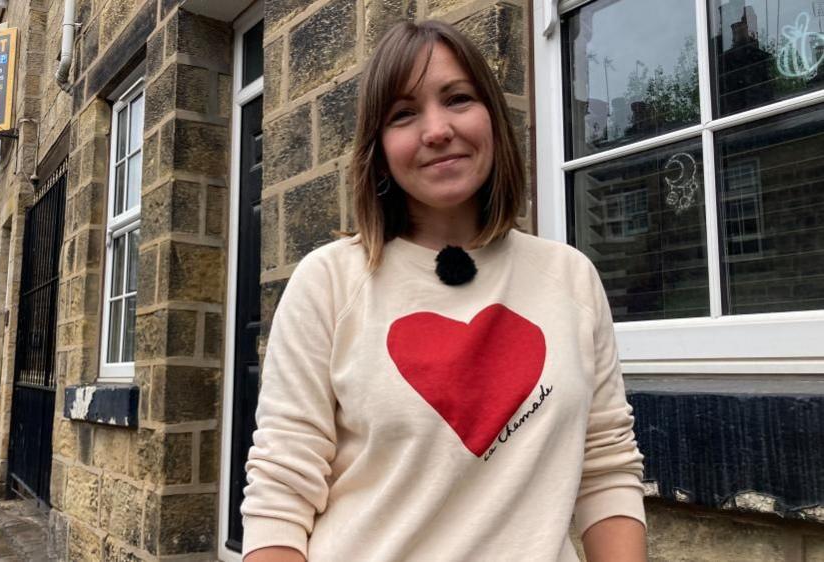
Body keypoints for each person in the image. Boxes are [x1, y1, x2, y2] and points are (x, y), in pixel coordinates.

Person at [240, 20, 647, 562]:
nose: (436, 130)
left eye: (457, 98)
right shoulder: (329, 283)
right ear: (379, 148)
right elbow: (280, 496)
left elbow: (606, 468)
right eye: (404, 114)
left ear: (494, 120)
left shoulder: (569, 277)